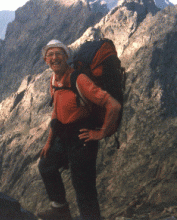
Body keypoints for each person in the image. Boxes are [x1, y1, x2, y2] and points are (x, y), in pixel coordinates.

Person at [37, 40, 121, 220]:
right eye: (50, 55)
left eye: (58, 53)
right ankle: (60, 209)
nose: (54, 57)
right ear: (46, 60)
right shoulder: (53, 81)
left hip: (82, 139)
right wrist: (49, 142)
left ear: (66, 57)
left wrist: (102, 132)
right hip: (63, 137)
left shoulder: (79, 79)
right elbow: (56, 112)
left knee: (83, 187)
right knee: (45, 165)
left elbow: (113, 105)